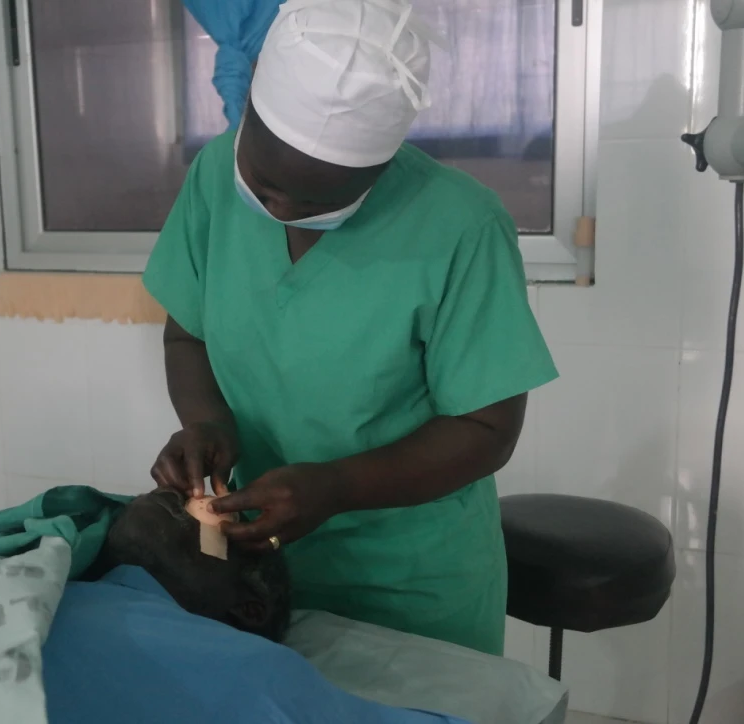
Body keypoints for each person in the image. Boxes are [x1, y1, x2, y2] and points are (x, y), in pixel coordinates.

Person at [143, 0, 558, 657]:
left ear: (381, 168)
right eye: (266, 185)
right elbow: (186, 335)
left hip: (412, 581)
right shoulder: (214, 179)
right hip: (257, 564)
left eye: (320, 201)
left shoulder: (460, 225)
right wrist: (207, 425)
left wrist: (336, 488)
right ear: (248, 116)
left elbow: (487, 428)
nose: (283, 209)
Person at [41, 488, 466, 723]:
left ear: (248, 607)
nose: (193, 493)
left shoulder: (241, 666)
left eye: (227, 521)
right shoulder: (58, 577)